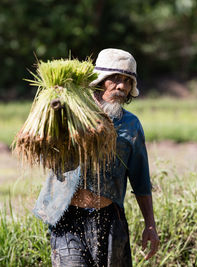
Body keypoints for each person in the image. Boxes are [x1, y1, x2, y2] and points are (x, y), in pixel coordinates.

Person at [33, 48, 159, 266]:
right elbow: (45, 149)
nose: (121, 86)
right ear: (100, 81)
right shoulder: (71, 114)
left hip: (109, 221)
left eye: (127, 81)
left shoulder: (131, 126)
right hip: (67, 219)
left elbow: (141, 180)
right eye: (115, 79)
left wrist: (150, 225)